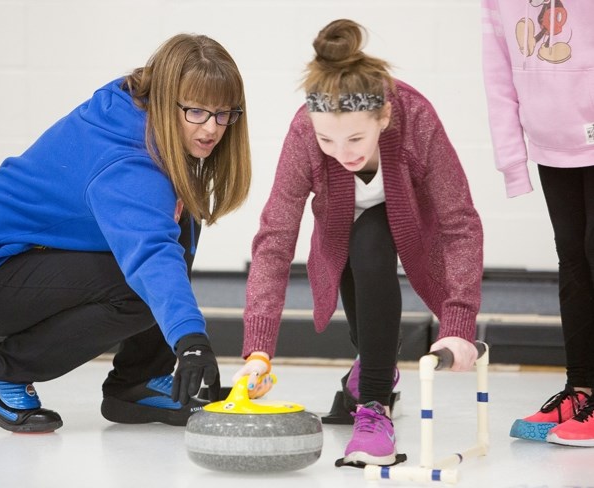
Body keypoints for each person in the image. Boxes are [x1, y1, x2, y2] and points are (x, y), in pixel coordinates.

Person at [0, 32, 251, 433]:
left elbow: (155, 241)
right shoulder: (130, 162)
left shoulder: (137, 106)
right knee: (139, 283)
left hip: (21, 257)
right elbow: (150, 254)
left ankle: (136, 381)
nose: (212, 129)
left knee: (181, 221)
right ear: (167, 99)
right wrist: (191, 341)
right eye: (197, 112)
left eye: (224, 114)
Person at [232, 18, 483, 465]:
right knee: (364, 324)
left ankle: (374, 408)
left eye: (355, 138)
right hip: (337, 233)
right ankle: (375, 365)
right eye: (328, 139)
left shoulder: (414, 116)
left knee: (370, 245)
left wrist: (459, 323)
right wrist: (258, 350)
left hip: (403, 226)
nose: (342, 152)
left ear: (383, 116)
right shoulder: (304, 134)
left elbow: (459, 221)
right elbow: (275, 238)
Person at [482, 0, 594, 447]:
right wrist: (513, 160)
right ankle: (582, 388)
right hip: (553, 142)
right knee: (573, 261)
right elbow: (498, 72)